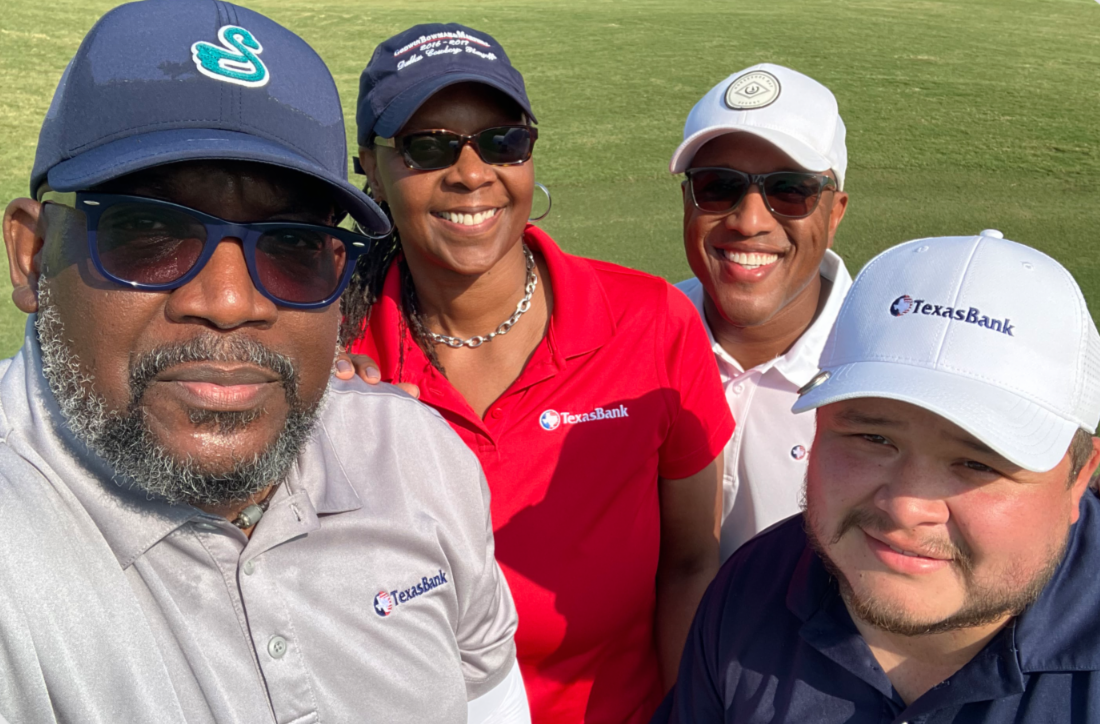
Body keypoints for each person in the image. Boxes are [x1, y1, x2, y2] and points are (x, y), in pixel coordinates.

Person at [0, 2, 528, 722]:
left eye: (293, 244)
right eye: (150, 231)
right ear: (32, 258)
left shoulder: (418, 460)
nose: (227, 300)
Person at [343, 23, 735, 724]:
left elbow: (689, 565)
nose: (471, 172)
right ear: (368, 167)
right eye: (428, 146)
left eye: (502, 141)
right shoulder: (333, 348)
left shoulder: (651, 323)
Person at [655, 230, 1100, 723]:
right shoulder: (749, 591)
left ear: (1080, 476)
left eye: (979, 462)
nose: (907, 507)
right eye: (873, 439)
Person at [670, 64, 852, 560]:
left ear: (834, 212)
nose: (750, 220)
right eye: (718, 185)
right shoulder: (635, 335)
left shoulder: (883, 366)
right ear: (686, 201)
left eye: (791, 189)